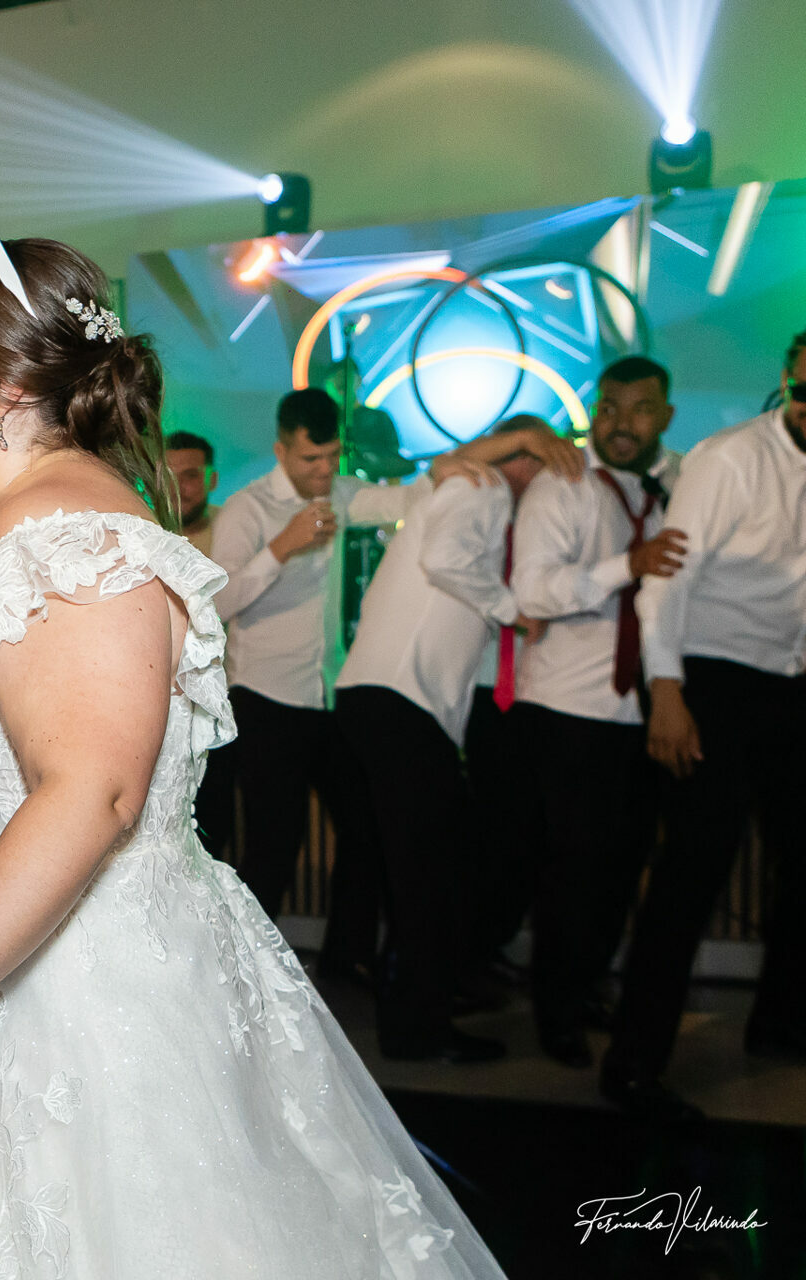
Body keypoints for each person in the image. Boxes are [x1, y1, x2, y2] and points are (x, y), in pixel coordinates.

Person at [0, 233, 505, 1277]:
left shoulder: (71, 532)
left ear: (6, 381)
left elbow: (93, 790)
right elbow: (10, 698)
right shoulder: (27, 521)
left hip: (42, 1008)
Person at [207, 389, 492, 981]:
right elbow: (219, 603)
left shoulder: (341, 493)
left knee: (366, 829)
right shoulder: (247, 508)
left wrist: (442, 470)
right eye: (310, 458)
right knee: (274, 845)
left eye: (332, 455)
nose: (324, 469)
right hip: (265, 698)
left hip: (330, 697)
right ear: (281, 450)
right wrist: (281, 548)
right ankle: (245, 978)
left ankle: (345, 960)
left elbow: (406, 499)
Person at [603, 329, 806, 1120]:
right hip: (714, 678)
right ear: (787, 377)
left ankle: (780, 1022)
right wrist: (668, 692)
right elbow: (666, 583)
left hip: (791, 680)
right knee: (691, 872)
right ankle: (632, 1065)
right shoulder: (730, 459)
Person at [333, 414, 572, 1062]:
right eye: (547, 464)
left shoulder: (465, 485)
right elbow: (445, 561)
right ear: (524, 457)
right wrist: (514, 611)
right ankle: (418, 1030)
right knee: (428, 878)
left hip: (391, 701)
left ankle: (420, 1010)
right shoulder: (480, 488)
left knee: (426, 872)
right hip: (400, 701)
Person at [510, 356, 682, 1070]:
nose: (621, 423)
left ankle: (584, 991)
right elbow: (532, 592)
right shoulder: (564, 483)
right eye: (609, 408)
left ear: (665, 417)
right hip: (564, 707)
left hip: (639, 711)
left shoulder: (677, 487)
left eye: (639, 409)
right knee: (572, 871)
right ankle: (555, 1011)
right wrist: (625, 566)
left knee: (622, 868)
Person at [163, 429, 221, 554]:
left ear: (212, 480)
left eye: (190, 475)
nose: (176, 487)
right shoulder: (138, 531)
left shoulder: (234, 525)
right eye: (167, 476)